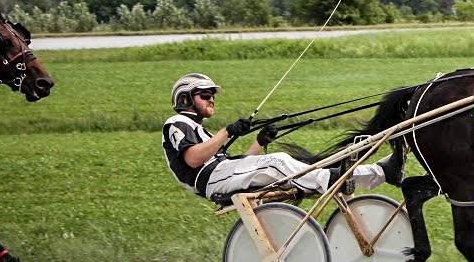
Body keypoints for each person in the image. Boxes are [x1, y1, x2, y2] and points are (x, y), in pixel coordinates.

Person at [163, 72, 403, 202]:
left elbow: (242, 166)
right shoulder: (176, 123)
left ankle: (381, 172)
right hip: (208, 181)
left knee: (301, 166)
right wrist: (227, 131)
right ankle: (332, 180)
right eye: (205, 95)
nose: (212, 99)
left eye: (212, 96)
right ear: (185, 99)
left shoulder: (201, 131)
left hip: (221, 175)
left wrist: (260, 142)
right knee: (278, 161)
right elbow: (193, 159)